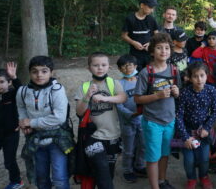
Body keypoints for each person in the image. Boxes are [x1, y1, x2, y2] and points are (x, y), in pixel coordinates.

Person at [17, 56, 74, 189]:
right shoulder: (23, 91)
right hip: (35, 139)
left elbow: (59, 117)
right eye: (34, 71)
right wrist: (24, 123)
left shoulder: (57, 90)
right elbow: (21, 107)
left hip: (57, 140)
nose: (39, 75)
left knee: (59, 178)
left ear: (51, 72)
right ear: (29, 73)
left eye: (44, 71)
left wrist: (31, 122)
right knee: (41, 178)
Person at [134, 33, 181, 189]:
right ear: (152, 51)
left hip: (170, 120)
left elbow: (178, 92)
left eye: (167, 48)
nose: (163, 51)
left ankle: (162, 181)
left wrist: (176, 92)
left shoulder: (174, 70)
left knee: (165, 154)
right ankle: (155, 186)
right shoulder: (145, 73)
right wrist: (157, 95)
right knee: (153, 157)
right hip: (152, 121)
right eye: (159, 48)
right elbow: (137, 99)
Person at [75, 52, 128, 189]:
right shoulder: (84, 86)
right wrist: (88, 96)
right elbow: (79, 112)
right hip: (93, 136)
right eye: (96, 65)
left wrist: (106, 98)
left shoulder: (113, 83)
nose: (100, 68)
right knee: (102, 168)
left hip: (113, 135)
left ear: (108, 67)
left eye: (103, 65)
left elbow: (122, 98)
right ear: (89, 68)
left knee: (108, 172)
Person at [176, 62, 216, 189]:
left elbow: (215, 111)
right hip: (187, 132)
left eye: (202, 75)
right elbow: (179, 116)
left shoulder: (211, 90)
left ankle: (204, 177)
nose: (199, 79)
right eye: (195, 76)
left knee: (204, 158)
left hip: (204, 132)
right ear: (189, 77)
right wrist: (185, 137)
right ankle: (191, 179)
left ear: (207, 76)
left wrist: (207, 128)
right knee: (189, 160)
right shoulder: (184, 93)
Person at [115, 54, 147, 182]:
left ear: (135, 66)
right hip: (127, 122)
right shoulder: (118, 84)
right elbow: (118, 105)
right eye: (124, 66)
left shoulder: (141, 79)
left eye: (130, 65)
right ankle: (127, 170)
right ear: (120, 69)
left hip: (143, 120)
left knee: (143, 145)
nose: (128, 68)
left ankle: (139, 166)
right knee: (128, 149)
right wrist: (130, 114)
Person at [121, 0, 160, 71]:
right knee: (136, 77)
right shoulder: (130, 19)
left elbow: (157, 35)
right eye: (150, 7)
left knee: (150, 75)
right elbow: (124, 36)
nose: (152, 10)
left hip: (149, 54)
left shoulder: (151, 19)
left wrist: (150, 43)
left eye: (153, 8)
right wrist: (133, 42)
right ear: (142, 5)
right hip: (135, 55)